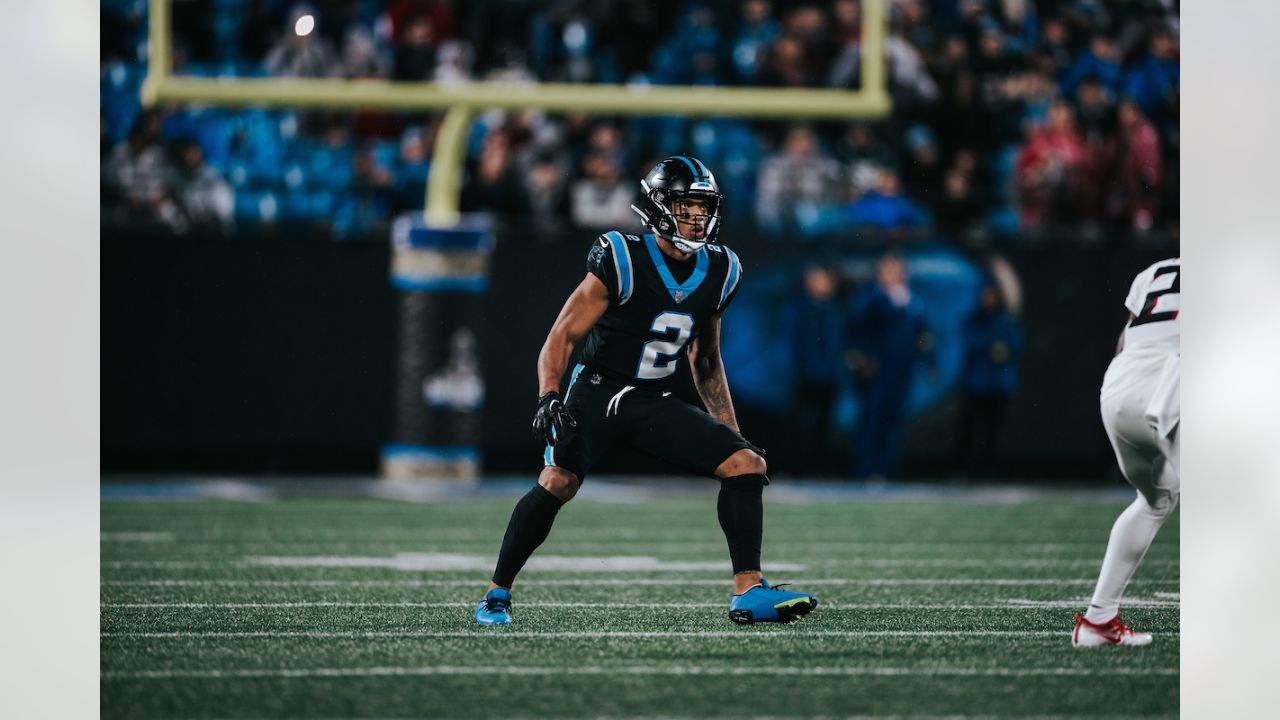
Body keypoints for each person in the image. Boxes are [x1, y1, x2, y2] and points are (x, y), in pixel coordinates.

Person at [475, 156, 818, 627]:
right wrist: (548, 394)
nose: (696, 217)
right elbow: (564, 336)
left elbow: (706, 360)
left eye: (703, 207)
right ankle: (496, 593)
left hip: (652, 400)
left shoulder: (722, 269)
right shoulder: (621, 256)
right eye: (685, 206)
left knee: (746, 464)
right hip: (598, 390)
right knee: (559, 481)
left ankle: (748, 592)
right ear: (658, 207)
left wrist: (731, 433)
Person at [1074, 258, 1179, 647]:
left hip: (1120, 386)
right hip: (1173, 382)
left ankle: (1097, 622)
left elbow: (1125, 339)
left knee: (1155, 500)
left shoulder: (1157, 270)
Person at [845, 254, 933, 480]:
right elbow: (856, 332)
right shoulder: (870, 298)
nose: (892, 274)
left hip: (901, 370)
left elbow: (922, 335)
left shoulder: (912, 301)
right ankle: (866, 468)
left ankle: (888, 468)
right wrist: (862, 359)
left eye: (896, 269)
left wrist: (930, 360)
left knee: (894, 419)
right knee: (871, 418)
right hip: (876, 370)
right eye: (887, 269)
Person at [956, 281, 1022, 477]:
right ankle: (965, 468)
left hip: (997, 384)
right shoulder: (974, 320)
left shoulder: (1005, 320)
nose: (989, 299)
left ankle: (988, 469)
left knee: (993, 429)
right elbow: (971, 344)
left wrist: (1001, 348)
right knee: (970, 429)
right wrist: (992, 346)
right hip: (976, 384)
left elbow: (1015, 345)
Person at [783, 265, 844, 476]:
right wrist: (799, 370)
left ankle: (818, 468)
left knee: (824, 426)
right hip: (805, 376)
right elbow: (792, 344)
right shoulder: (799, 310)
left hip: (829, 377)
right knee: (800, 425)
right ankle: (795, 468)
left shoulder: (835, 310)